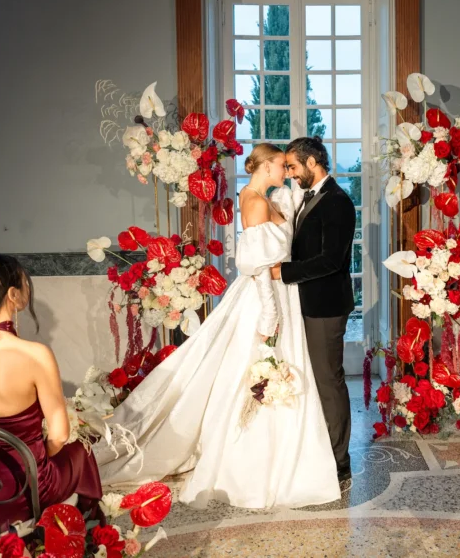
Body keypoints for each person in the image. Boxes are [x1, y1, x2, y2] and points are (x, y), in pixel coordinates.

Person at [94, 143, 341, 509]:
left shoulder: (267, 196)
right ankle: (253, 467)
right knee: (254, 372)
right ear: (267, 166)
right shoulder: (254, 201)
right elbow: (258, 267)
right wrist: (269, 315)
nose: (286, 172)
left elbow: (290, 226)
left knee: (277, 370)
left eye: (289, 167)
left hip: (283, 292)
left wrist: (293, 193)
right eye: (281, 166)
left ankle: (289, 459)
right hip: (265, 297)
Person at [0, 254, 102, 526]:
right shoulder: (36, 354)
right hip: (26, 489)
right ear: (12, 295)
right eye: (25, 282)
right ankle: (83, 532)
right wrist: (28, 454)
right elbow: (59, 435)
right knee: (82, 450)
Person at [271, 136, 357, 483]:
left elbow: (330, 261)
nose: (289, 173)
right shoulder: (308, 198)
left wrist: (284, 272)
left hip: (326, 306)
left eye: (292, 166)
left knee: (329, 381)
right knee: (318, 380)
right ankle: (322, 449)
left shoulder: (337, 202)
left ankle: (339, 460)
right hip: (307, 304)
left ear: (312, 162)